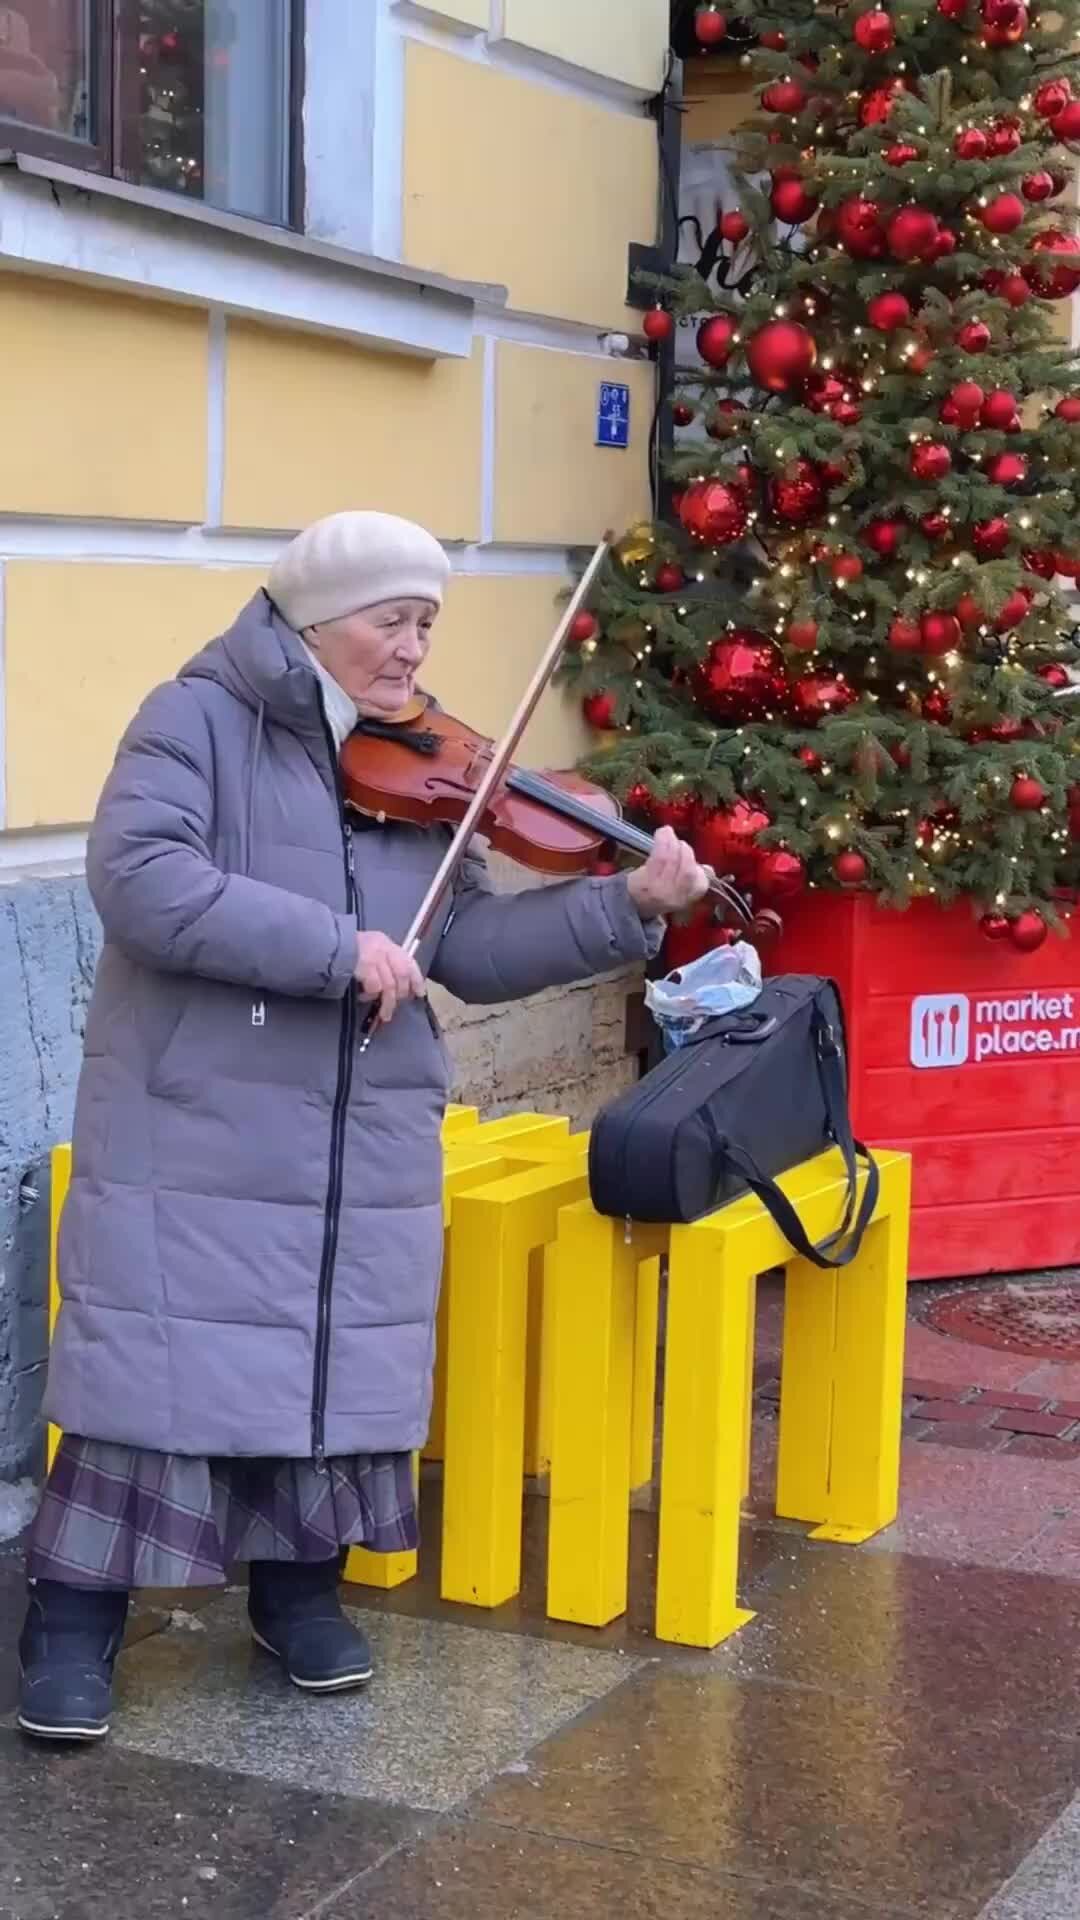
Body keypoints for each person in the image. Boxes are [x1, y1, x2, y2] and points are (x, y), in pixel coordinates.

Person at [18, 510, 708, 1743]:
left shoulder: (418, 759)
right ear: (313, 618)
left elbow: (471, 951)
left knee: (335, 1357)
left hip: (360, 1125)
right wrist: (337, 952)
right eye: (393, 621)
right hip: (203, 1119)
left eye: (428, 624)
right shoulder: (194, 720)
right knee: (150, 1373)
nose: (413, 651)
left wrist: (623, 907)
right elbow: (142, 881)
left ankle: (300, 1595)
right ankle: (73, 1622)